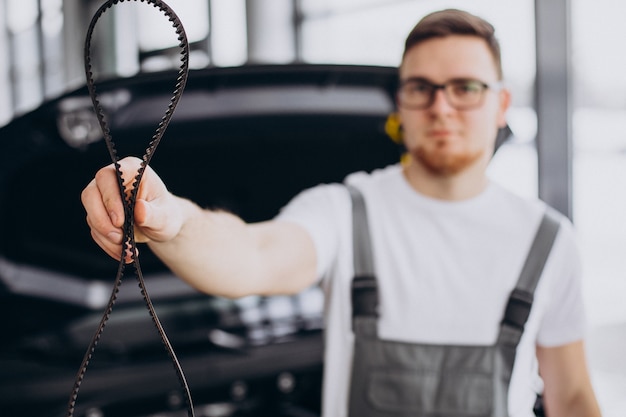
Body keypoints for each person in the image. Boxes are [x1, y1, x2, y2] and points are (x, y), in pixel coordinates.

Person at [81, 8, 602, 417]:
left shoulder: (549, 240)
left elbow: (572, 397)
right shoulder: (345, 210)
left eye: (466, 88)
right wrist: (172, 219)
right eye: (421, 89)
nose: (441, 107)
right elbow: (254, 254)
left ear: (502, 104)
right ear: (400, 103)